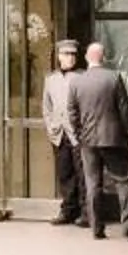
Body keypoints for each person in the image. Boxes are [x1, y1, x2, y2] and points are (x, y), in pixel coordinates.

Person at [64, 37, 128, 240]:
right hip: (114, 139)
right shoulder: (114, 78)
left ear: (86, 58)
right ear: (104, 57)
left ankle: (96, 228)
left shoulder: (77, 81)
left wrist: (79, 133)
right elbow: (124, 110)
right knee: (123, 182)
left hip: (88, 141)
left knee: (93, 184)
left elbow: (71, 112)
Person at [40, 38, 84, 226]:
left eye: (73, 54)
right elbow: (46, 107)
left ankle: (86, 212)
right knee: (64, 173)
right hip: (59, 134)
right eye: (66, 54)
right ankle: (68, 210)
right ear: (58, 56)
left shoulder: (82, 77)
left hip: (78, 133)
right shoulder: (51, 79)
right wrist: (51, 128)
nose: (70, 58)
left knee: (82, 173)